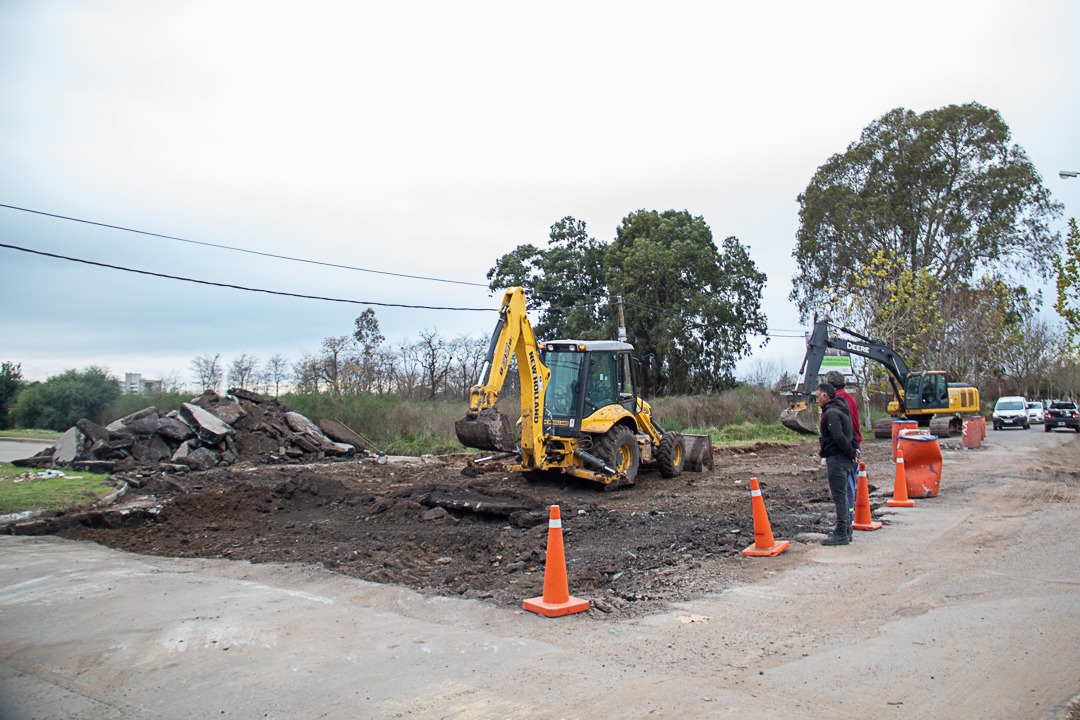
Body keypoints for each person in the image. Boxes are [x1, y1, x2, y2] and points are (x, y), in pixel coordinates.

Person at [817, 381, 858, 546]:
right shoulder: (842, 409)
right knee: (843, 495)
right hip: (844, 458)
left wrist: (851, 451)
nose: (817, 400)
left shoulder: (831, 413)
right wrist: (854, 450)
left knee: (839, 496)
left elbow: (838, 436)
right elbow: (851, 432)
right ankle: (846, 529)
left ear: (825, 396)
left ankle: (841, 532)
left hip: (837, 458)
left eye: (818, 397)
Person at [825, 370, 861, 529]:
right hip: (851, 445)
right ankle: (846, 518)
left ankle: (847, 520)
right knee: (847, 483)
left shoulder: (840, 402)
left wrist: (849, 450)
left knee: (845, 485)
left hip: (846, 448)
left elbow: (841, 431)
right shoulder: (849, 399)